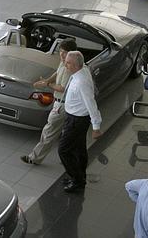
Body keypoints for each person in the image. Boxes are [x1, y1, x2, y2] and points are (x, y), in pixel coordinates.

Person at [21, 38, 78, 165]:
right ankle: (70, 158)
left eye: (65, 52)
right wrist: (47, 80)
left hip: (62, 105)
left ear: (72, 53)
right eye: (61, 51)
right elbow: (57, 72)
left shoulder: (70, 67)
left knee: (49, 132)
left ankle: (34, 158)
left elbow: (62, 88)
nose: (62, 55)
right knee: (67, 133)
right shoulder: (64, 62)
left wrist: (48, 85)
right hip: (65, 104)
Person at [58, 51, 102, 193]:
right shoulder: (82, 70)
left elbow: (91, 103)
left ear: (77, 65)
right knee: (79, 150)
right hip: (74, 117)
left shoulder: (82, 81)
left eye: (68, 63)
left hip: (77, 121)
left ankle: (77, 179)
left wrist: (96, 126)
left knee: (63, 150)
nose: (65, 64)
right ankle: (79, 176)